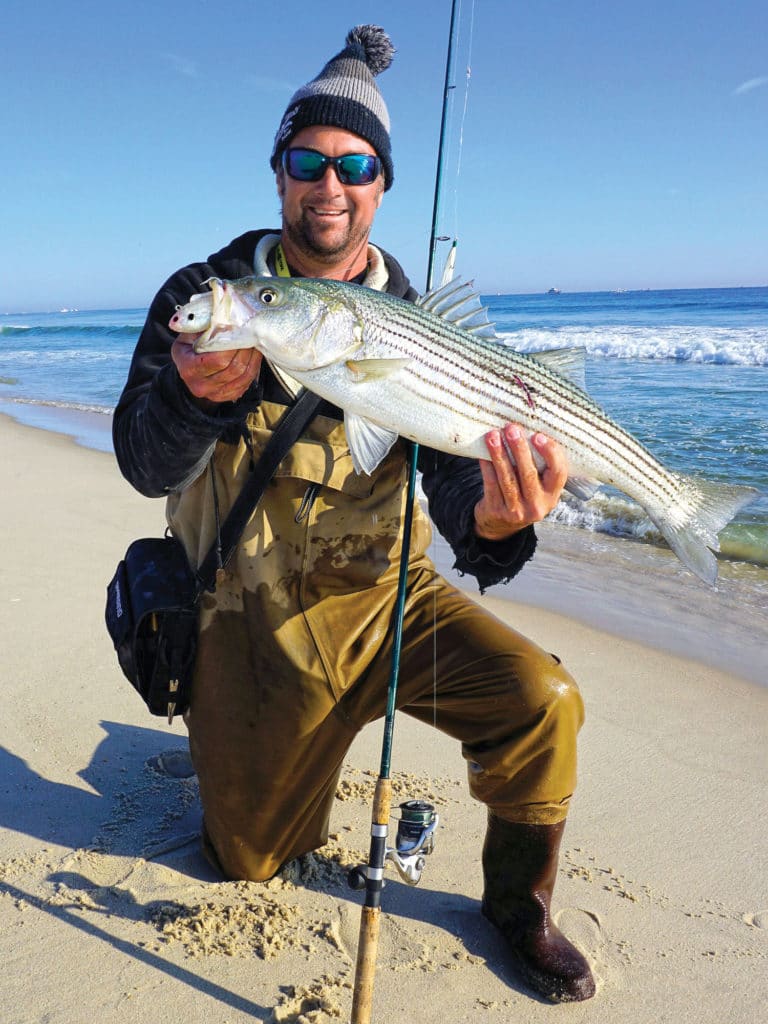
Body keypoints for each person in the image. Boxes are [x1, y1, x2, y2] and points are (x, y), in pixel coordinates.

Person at [113, 25, 596, 1004]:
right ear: (279, 173)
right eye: (307, 160)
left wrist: (504, 522)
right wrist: (196, 395)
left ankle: (517, 901)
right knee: (247, 858)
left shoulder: (419, 327)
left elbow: (468, 513)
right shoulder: (207, 295)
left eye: (355, 163)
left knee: (541, 700)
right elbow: (139, 457)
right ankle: (266, 750)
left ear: (380, 185)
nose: (328, 184)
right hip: (250, 618)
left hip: (386, 602)